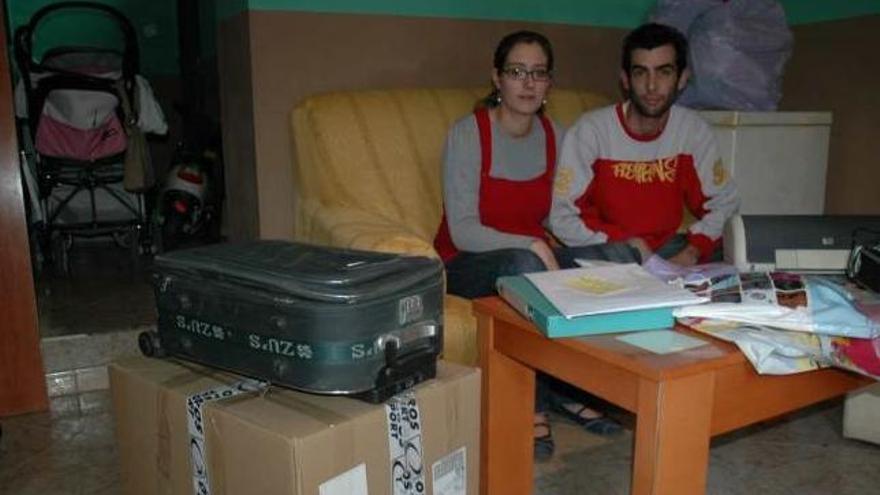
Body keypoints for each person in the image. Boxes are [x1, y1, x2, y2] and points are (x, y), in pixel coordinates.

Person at [433, 30, 620, 462]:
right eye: (517, 72)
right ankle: (537, 401)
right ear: (497, 78)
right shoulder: (469, 132)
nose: (528, 83)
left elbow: (558, 215)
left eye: (539, 73)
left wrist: (603, 244)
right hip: (465, 263)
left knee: (610, 259)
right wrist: (533, 243)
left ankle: (571, 388)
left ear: (549, 82)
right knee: (524, 263)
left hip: (529, 256)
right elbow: (462, 230)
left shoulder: (556, 134)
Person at [550, 23, 740, 266]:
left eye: (664, 72)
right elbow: (563, 217)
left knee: (738, 247)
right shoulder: (590, 131)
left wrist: (692, 252)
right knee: (613, 256)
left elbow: (725, 201)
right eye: (641, 72)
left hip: (668, 248)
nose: (651, 86)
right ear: (625, 80)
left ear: (682, 79)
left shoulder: (693, 131)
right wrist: (629, 245)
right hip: (609, 249)